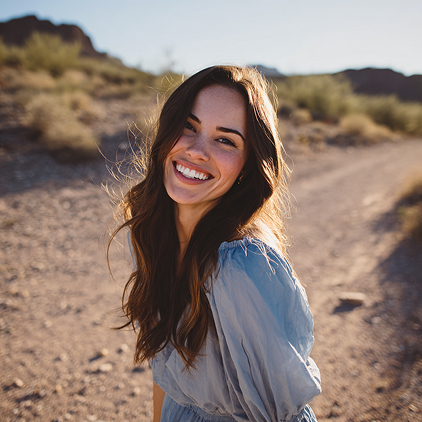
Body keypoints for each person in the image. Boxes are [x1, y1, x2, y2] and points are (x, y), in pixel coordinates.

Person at [111, 65, 321, 422]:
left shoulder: (242, 266)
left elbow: (279, 414)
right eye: (188, 127)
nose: (196, 150)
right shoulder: (149, 232)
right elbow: (167, 374)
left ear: (247, 166)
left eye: (225, 140)